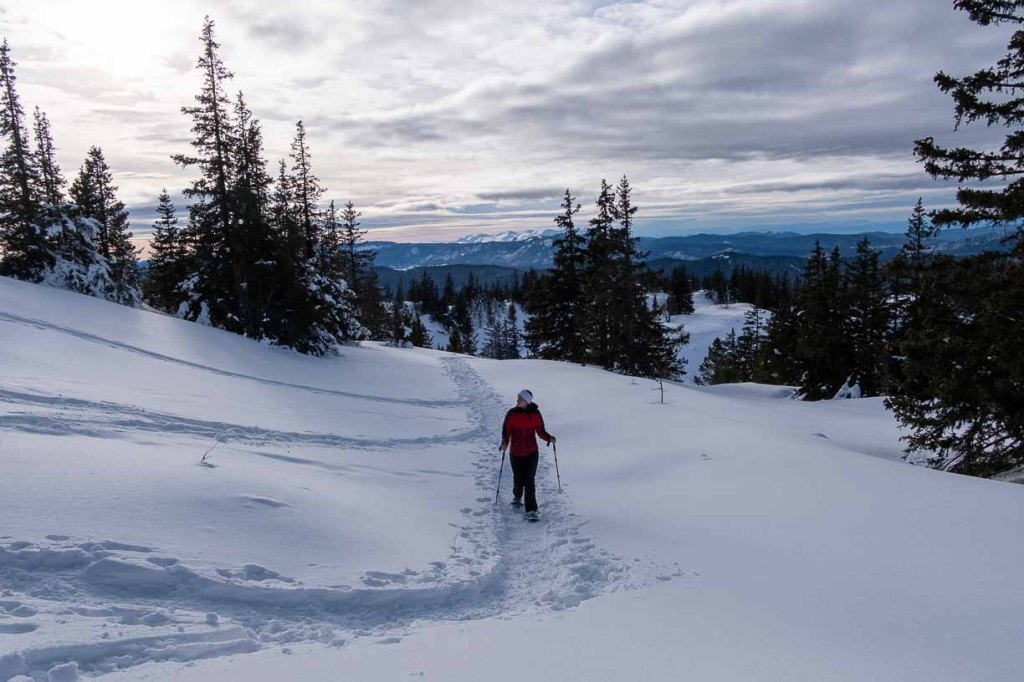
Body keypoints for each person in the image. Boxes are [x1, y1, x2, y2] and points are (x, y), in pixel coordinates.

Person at [499, 389, 556, 520]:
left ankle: (531, 510)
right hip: (515, 452)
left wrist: (549, 438)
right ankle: (517, 496)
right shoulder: (512, 413)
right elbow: (506, 430)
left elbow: (541, 430)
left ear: (526, 401)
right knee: (518, 479)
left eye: (519, 399)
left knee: (529, 480)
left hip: (531, 452)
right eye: (518, 398)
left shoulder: (535, 414)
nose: (517, 400)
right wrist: (505, 442)